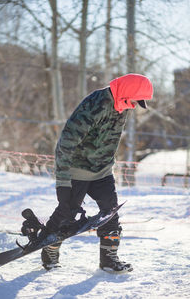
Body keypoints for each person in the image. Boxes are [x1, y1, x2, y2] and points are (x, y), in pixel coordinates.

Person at [24, 73, 153, 273]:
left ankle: (109, 260)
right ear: (127, 93)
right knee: (67, 214)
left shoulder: (122, 106)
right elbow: (65, 144)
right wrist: (63, 183)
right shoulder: (94, 105)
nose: (135, 105)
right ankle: (49, 247)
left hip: (102, 170)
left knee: (110, 213)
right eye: (135, 100)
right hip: (76, 170)